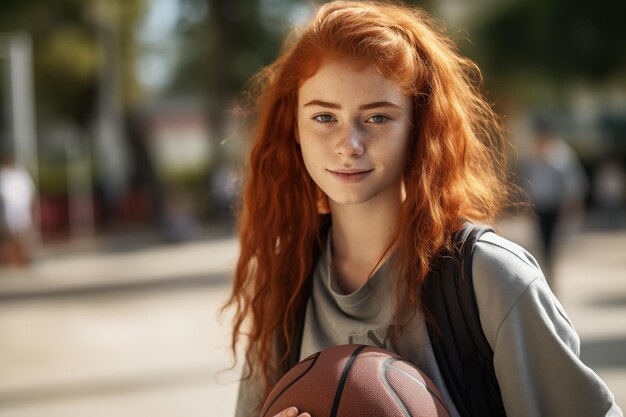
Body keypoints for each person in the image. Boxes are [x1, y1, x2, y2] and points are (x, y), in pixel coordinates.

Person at [223, 2, 623, 417]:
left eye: (377, 117)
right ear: (294, 128)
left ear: (420, 125)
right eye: (324, 117)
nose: (349, 145)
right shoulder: (285, 280)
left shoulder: (489, 277)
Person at [520, 117, 588, 287]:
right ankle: (546, 274)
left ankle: (550, 277)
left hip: (555, 206)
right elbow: (529, 183)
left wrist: (572, 206)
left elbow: (573, 182)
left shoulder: (561, 154)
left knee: (551, 243)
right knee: (542, 243)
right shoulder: (534, 156)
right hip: (539, 206)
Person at [0, 152, 37, 266]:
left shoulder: (21, 174)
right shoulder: (3, 174)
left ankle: (24, 257)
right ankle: (10, 258)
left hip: (21, 209)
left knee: (24, 233)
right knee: (9, 235)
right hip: (8, 209)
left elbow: (30, 192)